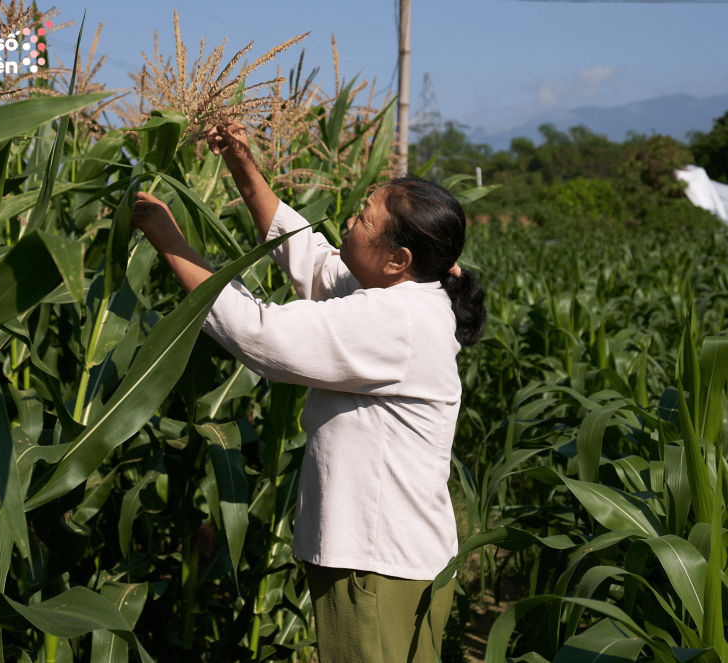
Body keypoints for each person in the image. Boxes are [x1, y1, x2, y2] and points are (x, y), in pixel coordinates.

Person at [131, 121, 486, 663]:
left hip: (376, 562)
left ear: (399, 259)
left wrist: (170, 241)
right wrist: (244, 168)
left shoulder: (396, 320)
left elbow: (258, 334)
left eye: (364, 218)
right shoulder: (406, 294)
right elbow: (313, 259)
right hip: (393, 558)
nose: (349, 220)